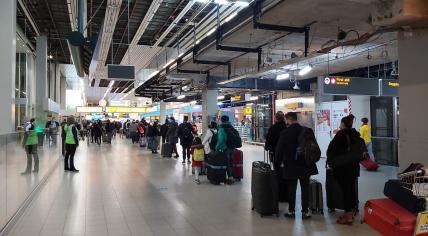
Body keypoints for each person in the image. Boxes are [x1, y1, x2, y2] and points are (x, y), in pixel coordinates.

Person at [275, 112, 318, 219]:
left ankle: (291, 211)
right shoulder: (307, 130)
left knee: (291, 188)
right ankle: (305, 212)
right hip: (305, 164)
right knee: (305, 188)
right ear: (296, 119)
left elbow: (279, 151)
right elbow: (314, 147)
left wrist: (278, 163)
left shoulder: (285, 133)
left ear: (287, 120)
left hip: (291, 165)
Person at [327, 114, 364, 225]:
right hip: (354, 167)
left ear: (342, 124)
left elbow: (331, 149)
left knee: (345, 190)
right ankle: (352, 211)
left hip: (343, 168)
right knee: (351, 188)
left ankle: (347, 215)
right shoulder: (355, 134)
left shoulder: (341, 135)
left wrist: (331, 161)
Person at [265, 111, 287, 202]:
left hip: (276, 154)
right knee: (286, 173)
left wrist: (268, 148)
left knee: (278, 173)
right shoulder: (287, 127)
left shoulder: (273, 128)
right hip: (287, 155)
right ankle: (287, 195)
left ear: (276, 118)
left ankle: (280, 195)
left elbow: (268, 142)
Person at [215, 115, 239, 185]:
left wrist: (217, 147)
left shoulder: (221, 128)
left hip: (225, 148)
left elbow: (221, 140)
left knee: (227, 163)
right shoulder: (231, 127)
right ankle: (232, 176)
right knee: (231, 162)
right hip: (233, 147)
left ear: (221, 120)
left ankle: (230, 178)